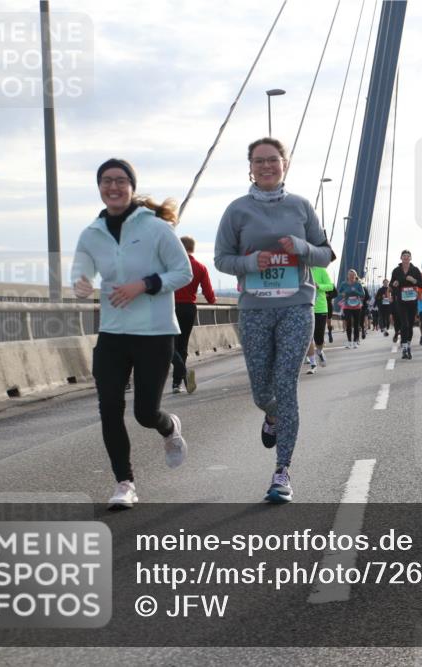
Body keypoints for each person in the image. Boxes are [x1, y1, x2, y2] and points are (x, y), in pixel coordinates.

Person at [215, 137, 333, 503]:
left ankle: (282, 472)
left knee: (287, 386)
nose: (266, 166)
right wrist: (252, 264)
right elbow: (221, 259)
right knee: (262, 392)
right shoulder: (236, 211)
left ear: (285, 165)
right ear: (249, 166)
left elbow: (326, 254)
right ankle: (271, 416)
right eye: (259, 161)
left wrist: (300, 249)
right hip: (255, 308)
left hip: (297, 306)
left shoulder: (301, 207)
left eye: (273, 160)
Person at [72, 158, 192, 508]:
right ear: (99, 187)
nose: (113, 186)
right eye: (106, 181)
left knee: (144, 413)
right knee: (109, 407)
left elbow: (181, 272)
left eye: (120, 180)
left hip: (154, 333)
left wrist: (145, 284)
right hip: (113, 332)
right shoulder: (91, 233)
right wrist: (80, 285)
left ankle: (169, 427)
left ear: (131, 187)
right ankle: (124, 483)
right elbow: (81, 273)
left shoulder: (155, 228)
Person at [172, 235, 216, 394]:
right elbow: (208, 294)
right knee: (182, 346)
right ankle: (177, 383)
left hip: (170, 308)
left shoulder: (171, 265)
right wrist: (212, 299)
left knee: (168, 344)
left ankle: (182, 375)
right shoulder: (200, 267)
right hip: (189, 309)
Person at [390, 250, 422, 359]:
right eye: (404, 256)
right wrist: (394, 284)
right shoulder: (396, 271)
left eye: (408, 256)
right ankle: (404, 348)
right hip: (401, 301)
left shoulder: (415, 270)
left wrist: (414, 281)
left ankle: (408, 345)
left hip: (412, 301)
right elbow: (391, 284)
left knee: (410, 325)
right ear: (401, 258)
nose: (405, 257)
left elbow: (421, 285)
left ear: (410, 258)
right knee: (404, 324)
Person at [305, 265, 335, 374]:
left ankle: (320, 352)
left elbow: (331, 286)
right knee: (308, 337)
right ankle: (313, 364)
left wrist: (319, 286)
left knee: (319, 338)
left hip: (320, 308)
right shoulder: (301, 269)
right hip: (305, 308)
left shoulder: (321, 270)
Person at [339, 269, 366, 348]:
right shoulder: (343, 284)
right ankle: (349, 341)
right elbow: (340, 292)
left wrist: (356, 291)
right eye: (350, 275)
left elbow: (363, 294)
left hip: (356, 306)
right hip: (347, 305)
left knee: (356, 324)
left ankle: (355, 342)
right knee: (348, 324)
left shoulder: (358, 284)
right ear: (347, 276)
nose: (351, 276)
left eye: (353, 275)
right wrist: (343, 293)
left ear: (355, 276)